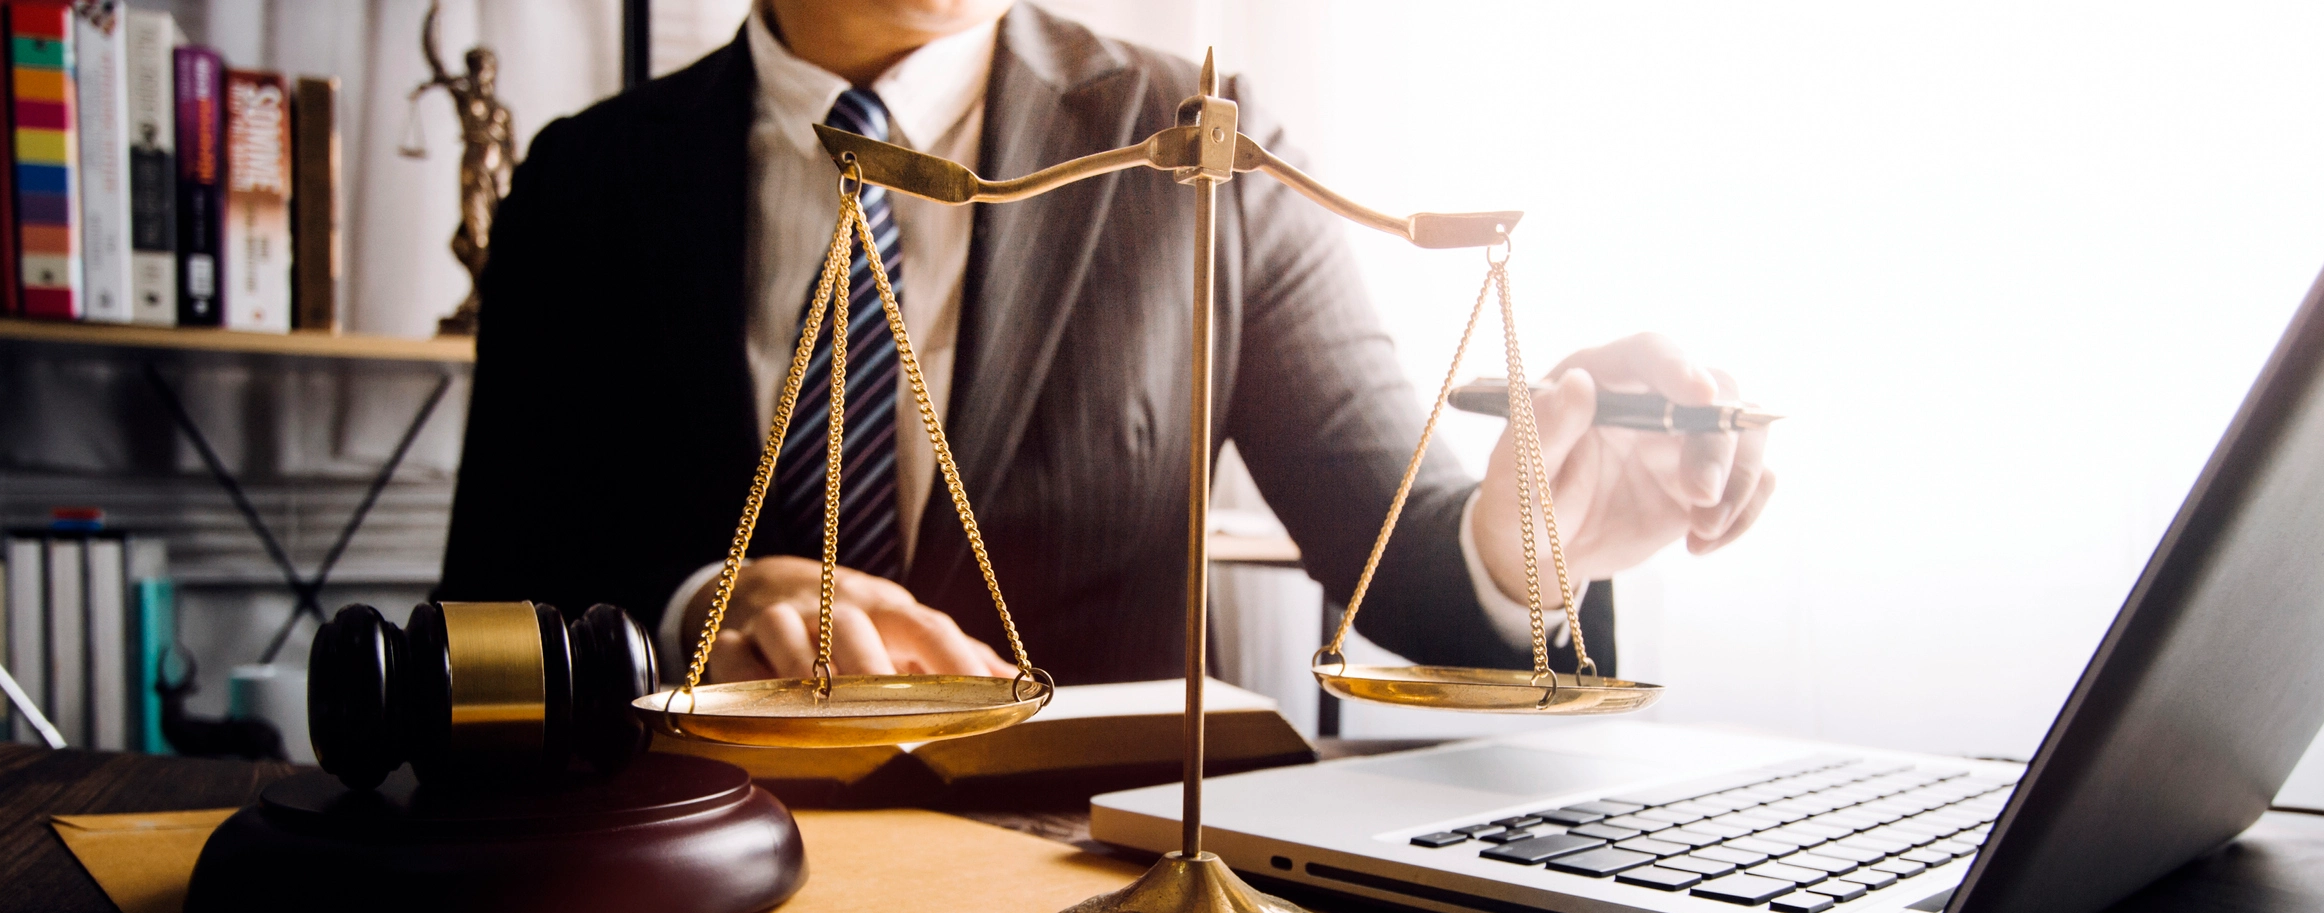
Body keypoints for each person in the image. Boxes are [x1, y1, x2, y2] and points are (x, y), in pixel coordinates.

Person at [435, 0, 1774, 687]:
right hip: (688, 900)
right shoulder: (584, 186)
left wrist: (1529, 541)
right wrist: (685, 625)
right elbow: (484, 618)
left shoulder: (1208, 148)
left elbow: (1400, 545)